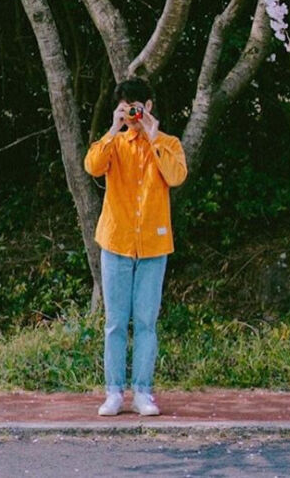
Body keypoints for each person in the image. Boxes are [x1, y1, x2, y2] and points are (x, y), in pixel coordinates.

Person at [84, 76, 187, 417]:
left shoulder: (168, 142)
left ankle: (143, 391)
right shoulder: (114, 143)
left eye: (136, 107)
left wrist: (153, 135)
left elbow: (176, 176)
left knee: (146, 322)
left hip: (154, 245)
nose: (132, 113)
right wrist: (113, 128)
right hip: (116, 241)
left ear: (149, 106)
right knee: (115, 322)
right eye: (127, 107)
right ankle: (114, 392)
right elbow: (93, 166)